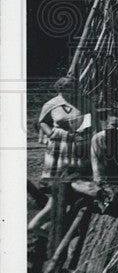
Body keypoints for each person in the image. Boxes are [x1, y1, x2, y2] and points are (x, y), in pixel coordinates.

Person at [28, 97, 92, 232]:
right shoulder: (52, 104)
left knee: (60, 207)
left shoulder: (82, 103)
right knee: (54, 207)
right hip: (62, 146)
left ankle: (49, 229)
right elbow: (42, 122)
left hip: (75, 144)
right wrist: (51, 133)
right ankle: (44, 229)